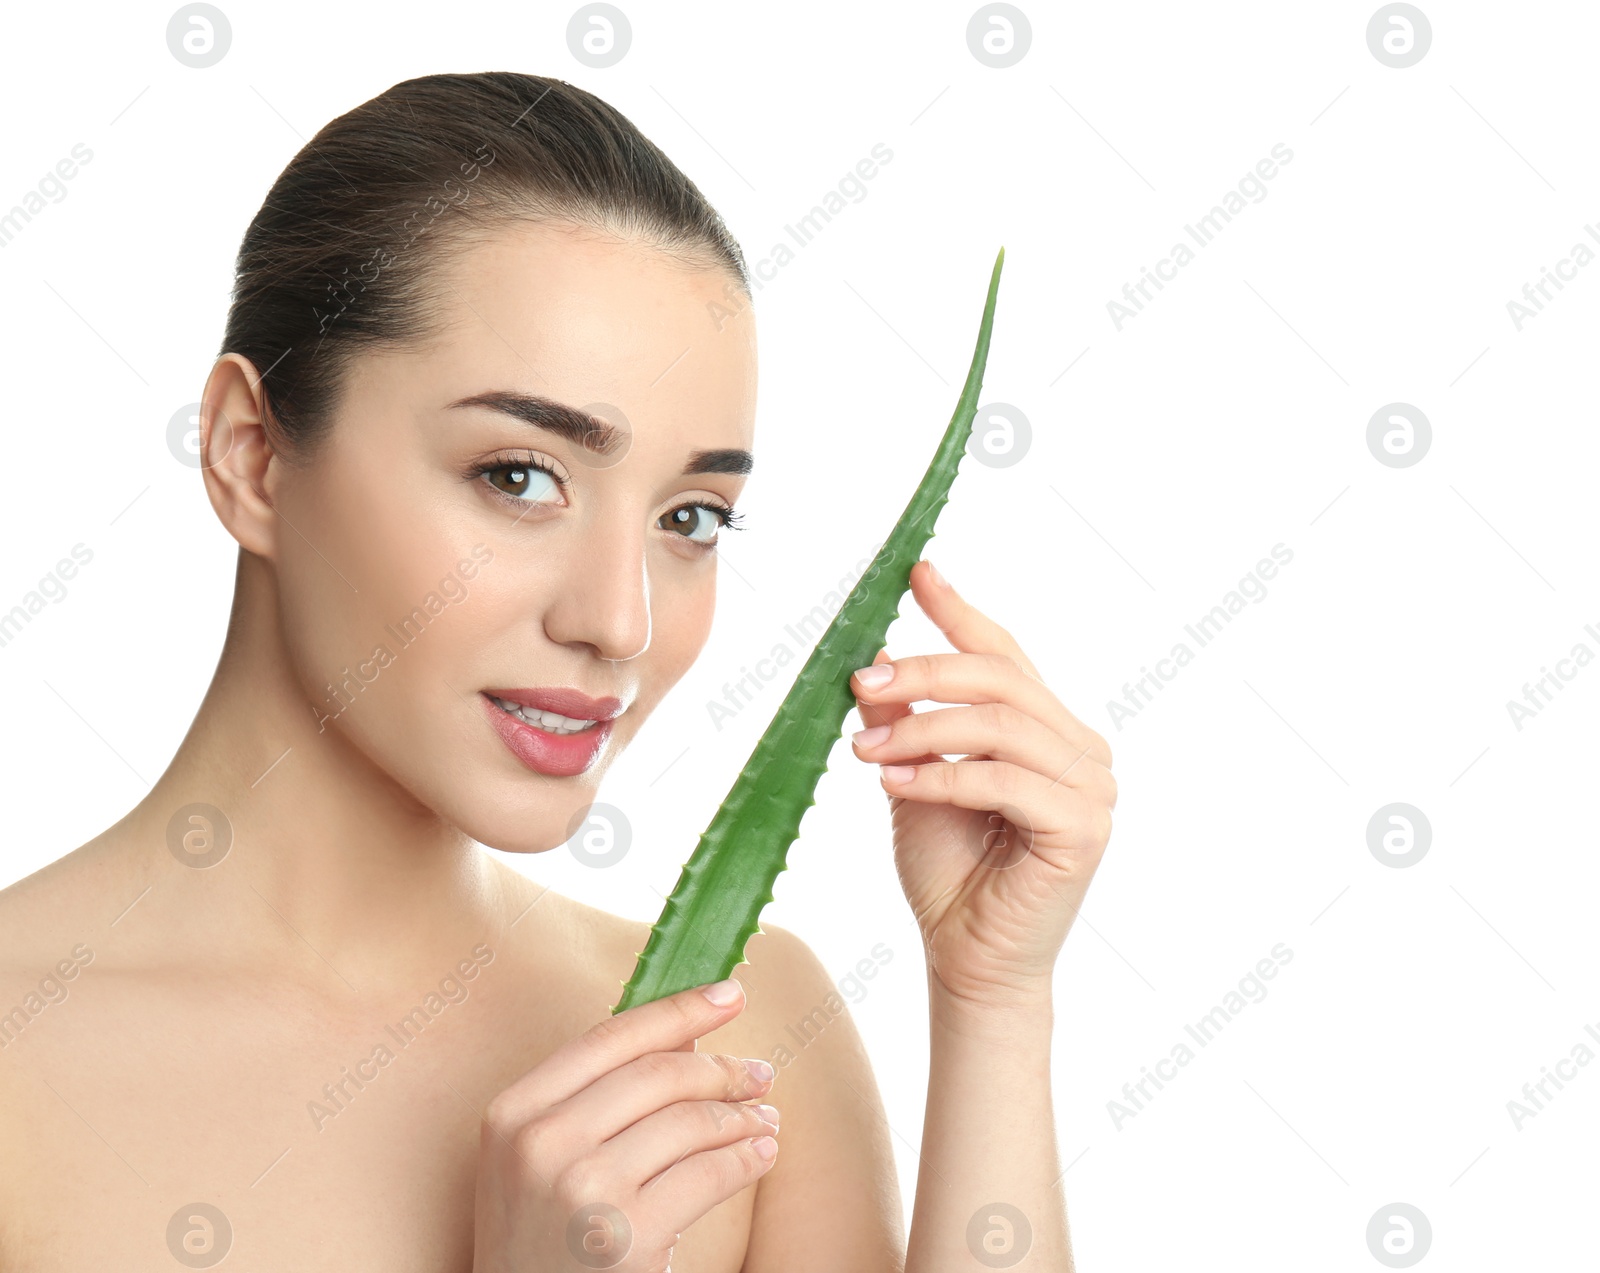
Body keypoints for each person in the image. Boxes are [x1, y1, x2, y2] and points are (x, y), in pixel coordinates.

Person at [0, 71, 1116, 1271]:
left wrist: (994, 1001)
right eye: (520, 476)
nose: (620, 620)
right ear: (253, 456)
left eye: (690, 516)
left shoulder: (738, 1047)